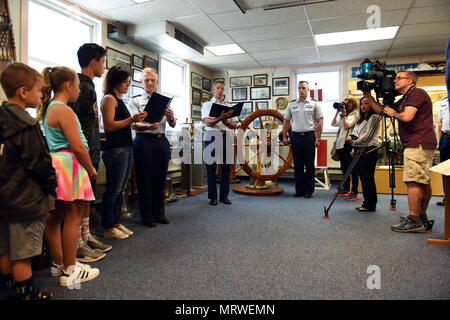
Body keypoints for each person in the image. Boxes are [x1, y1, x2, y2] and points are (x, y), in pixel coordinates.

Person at [38, 66, 100, 287]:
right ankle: (70, 271)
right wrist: (91, 169)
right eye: (76, 85)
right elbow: (78, 146)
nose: (78, 91)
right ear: (68, 85)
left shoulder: (51, 108)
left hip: (58, 165)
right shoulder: (63, 110)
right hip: (69, 164)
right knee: (72, 218)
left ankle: (60, 263)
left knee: (55, 218)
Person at [0, 62, 56, 300]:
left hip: (4, 199)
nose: (41, 95)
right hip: (25, 201)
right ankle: (26, 294)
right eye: (37, 90)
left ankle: (9, 290)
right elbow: (39, 164)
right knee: (22, 254)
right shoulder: (27, 125)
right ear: (23, 92)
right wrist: (51, 185)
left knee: (5, 249)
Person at [364, 70, 437, 232]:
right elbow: (381, 110)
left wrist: (394, 113)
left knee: (413, 180)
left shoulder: (417, 93)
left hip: (418, 143)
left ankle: (414, 219)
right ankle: (420, 215)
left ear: (410, 80)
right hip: (419, 143)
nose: (394, 81)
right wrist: (368, 96)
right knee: (422, 181)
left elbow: (407, 117)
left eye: (398, 78)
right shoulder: (407, 98)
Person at [70, 43, 111, 260]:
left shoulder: (89, 86)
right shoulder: (82, 88)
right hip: (83, 155)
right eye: (102, 62)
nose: (104, 66)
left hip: (93, 151)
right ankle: (77, 243)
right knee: (80, 200)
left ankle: (86, 236)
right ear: (93, 62)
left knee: (88, 198)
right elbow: (74, 125)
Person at [100, 67, 147, 239]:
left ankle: (116, 222)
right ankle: (108, 227)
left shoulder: (119, 99)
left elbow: (126, 123)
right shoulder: (108, 99)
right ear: (116, 82)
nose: (128, 84)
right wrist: (131, 119)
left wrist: (137, 121)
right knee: (113, 189)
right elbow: (110, 126)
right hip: (115, 149)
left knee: (121, 189)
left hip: (126, 147)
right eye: (125, 81)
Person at [128, 68, 176, 227]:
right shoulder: (135, 100)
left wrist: (170, 117)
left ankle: (159, 214)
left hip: (161, 141)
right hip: (145, 141)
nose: (149, 83)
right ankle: (147, 216)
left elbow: (173, 123)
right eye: (146, 80)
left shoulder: (163, 100)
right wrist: (147, 126)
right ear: (141, 82)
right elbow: (133, 124)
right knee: (145, 180)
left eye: (152, 80)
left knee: (160, 179)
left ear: (157, 82)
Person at [282, 80, 323, 198]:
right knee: (298, 165)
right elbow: (286, 121)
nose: (301, 90)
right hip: (296, 137)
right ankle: (299, 190)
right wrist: (285, 136)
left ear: (308, 90)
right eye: (299, 88)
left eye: (304, 88)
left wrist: (318, 137)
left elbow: (320, 121)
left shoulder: (315, 104)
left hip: (310, 136)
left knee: (310, 165)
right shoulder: (292, 104)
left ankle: (309, 191)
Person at [201, 80, 239, 206]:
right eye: (218, 88)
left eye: (222, 88)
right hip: (211, 136)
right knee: (210, 168)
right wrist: (221, 118)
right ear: (214, 89)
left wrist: (226, 122)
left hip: (226, 136)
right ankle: (213, 197)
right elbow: (207, 122)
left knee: (226, 168)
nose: (220, 90)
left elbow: (234, 124)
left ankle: (224, 196)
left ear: (224, 90)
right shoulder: (207, 105)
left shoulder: (230, 106)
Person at [350, 97, 380, 212]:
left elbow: (369, 135)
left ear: (372, 105)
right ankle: (366, 203)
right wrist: (353, 138)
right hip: (359, 150)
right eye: (362, 103)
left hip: (369, 150)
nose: (363, 106)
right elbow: (355, 132)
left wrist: (355, 140)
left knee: (368, 178)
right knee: (363, 177)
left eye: (367, 103)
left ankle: (370, 204)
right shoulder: (361, 119)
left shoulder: (374, 117)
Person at [331, 96, 360, 200]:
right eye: (345, 103)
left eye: (349, 103)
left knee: (352, 169)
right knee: (344, 168)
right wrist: (337, 111)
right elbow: (333, 123)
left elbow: (347, 126)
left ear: (353, 104)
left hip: (349, 144)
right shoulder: (345, 114)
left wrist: (344, 114)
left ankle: (354, 190)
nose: (346, 105)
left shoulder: (355, 113)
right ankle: (346, 188)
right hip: (341, 144)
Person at [437, 97, 449, 206]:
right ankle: (447, 197)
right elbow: (440, 123)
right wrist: (439, 141)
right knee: (445, 169)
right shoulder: (444, 102)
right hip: (445, 137)